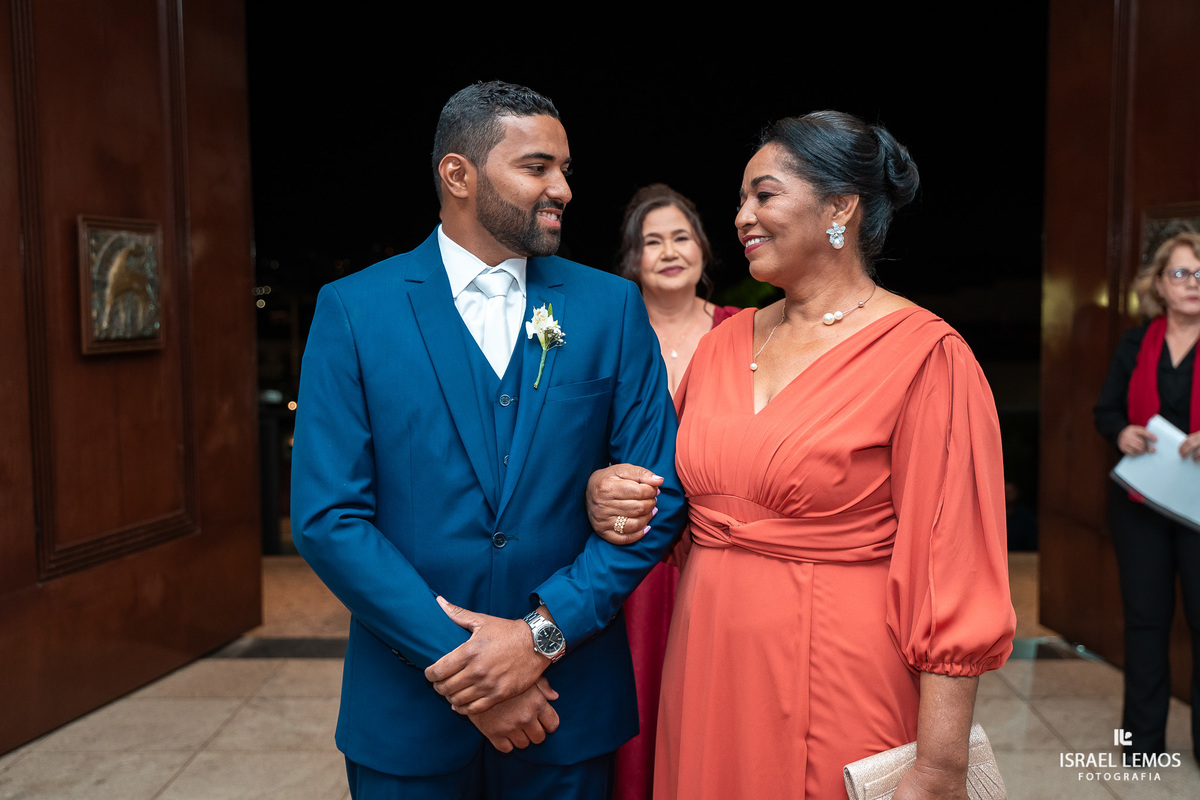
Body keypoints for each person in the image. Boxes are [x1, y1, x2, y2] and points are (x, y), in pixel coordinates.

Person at [588, 111, 1015, 799]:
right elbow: (677, 505)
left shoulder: (926, 355)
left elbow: (953, 571)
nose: (741, 217)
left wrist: (939, 766)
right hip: (704, 666)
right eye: (740, 200)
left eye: (764, 194)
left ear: (839, 205)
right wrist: (607, 492)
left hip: (840, 674)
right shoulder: (723, 347)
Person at [289, 80, 685, 800]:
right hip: (408, 716)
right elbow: (329, 518)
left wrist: (539, 637)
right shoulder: (354, 310)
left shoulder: (608, 307)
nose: (561, 188)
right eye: (537, 167)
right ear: (458, 174)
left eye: (565, 169)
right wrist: (475, 671)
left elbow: (659, 495)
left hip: (567, 708)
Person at [609, 183, 738, 800]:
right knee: (636, 689)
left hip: (722, 549)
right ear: (632, 259)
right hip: (633, 551)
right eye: (650, 241)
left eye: (680, 237)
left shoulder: (745, 333)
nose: (668, 251)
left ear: (703, 249)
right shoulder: (609, 333)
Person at [1094, 230, 1200, 762]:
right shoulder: (1137, 343)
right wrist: (1122, 433)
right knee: (1145, 622)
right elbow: (1106, 410)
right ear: (1159, 284)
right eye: (1181, 273)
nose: (1193, 284)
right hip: (1142, 506)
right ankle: (1141, 745)